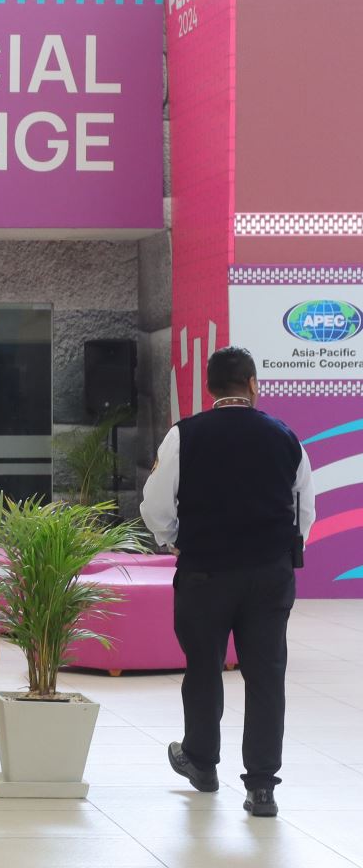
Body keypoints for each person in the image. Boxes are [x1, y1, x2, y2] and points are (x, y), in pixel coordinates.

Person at [141, 346, 314, 817]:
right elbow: (305, 510)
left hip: (205, 571)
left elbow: (155, 502)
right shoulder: (285, 437)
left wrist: (172, 539)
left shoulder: (185, 436)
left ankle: (201, 762)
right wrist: (280, 550)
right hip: (268, 575)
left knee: (203, 667)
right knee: (265, 675)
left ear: (210, 388)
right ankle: (261, 787)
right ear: (253, 384)